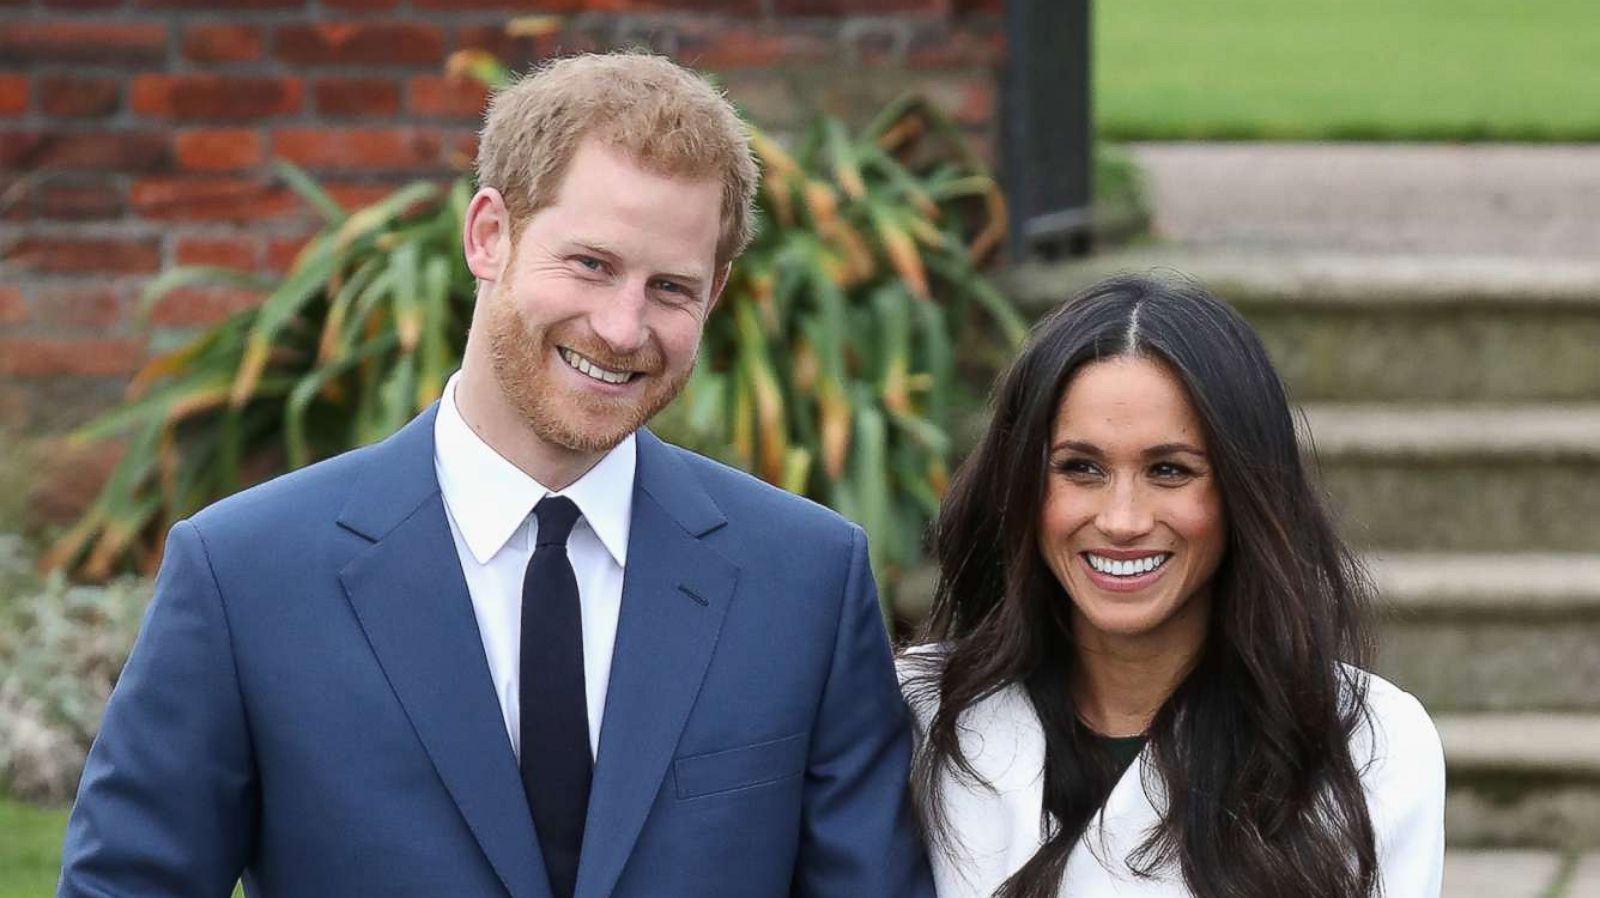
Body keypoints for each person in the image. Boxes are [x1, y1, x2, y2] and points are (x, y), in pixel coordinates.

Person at [59, 52, 933, 898]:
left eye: (671, 287)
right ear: (489, 235)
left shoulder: (806, 581)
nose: (624, 327)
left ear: (715, 292)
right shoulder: (244, 576)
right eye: (591, 264)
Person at [899, 274, 1445, 898]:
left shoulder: (1368, 742)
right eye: (1081, 468)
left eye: (1169, 470)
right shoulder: (922, 718)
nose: (1122, 520)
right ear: (1022, 484)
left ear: (1243, 491)